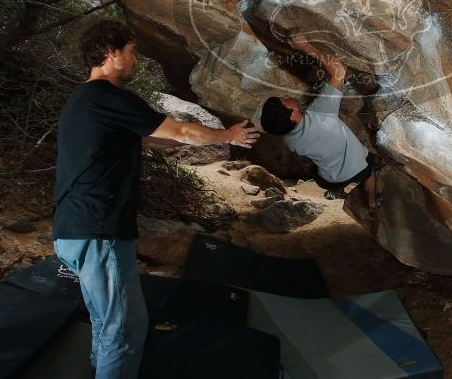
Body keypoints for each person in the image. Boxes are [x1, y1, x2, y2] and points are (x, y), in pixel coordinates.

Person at [52, 19, 258, 379]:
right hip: (99, 230)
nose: (136, 61)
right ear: (110, 53)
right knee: (126, 328)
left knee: (106, 321)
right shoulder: (109, 97)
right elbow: (180, 130)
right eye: (131, 53)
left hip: (74, 229)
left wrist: (192, 140)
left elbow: (152, 138)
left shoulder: (84, 102)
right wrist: (227, 134)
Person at [260, 34, 379, 211]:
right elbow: (339, 71)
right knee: (369, 174)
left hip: (329, 180)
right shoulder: (321, 114)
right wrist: (305, 47)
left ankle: (335, 192)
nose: (287, 96)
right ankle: (371, 201)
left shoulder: (290, 138)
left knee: (322, 175)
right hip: (356, 167)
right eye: (285, 100)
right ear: (292, 116)